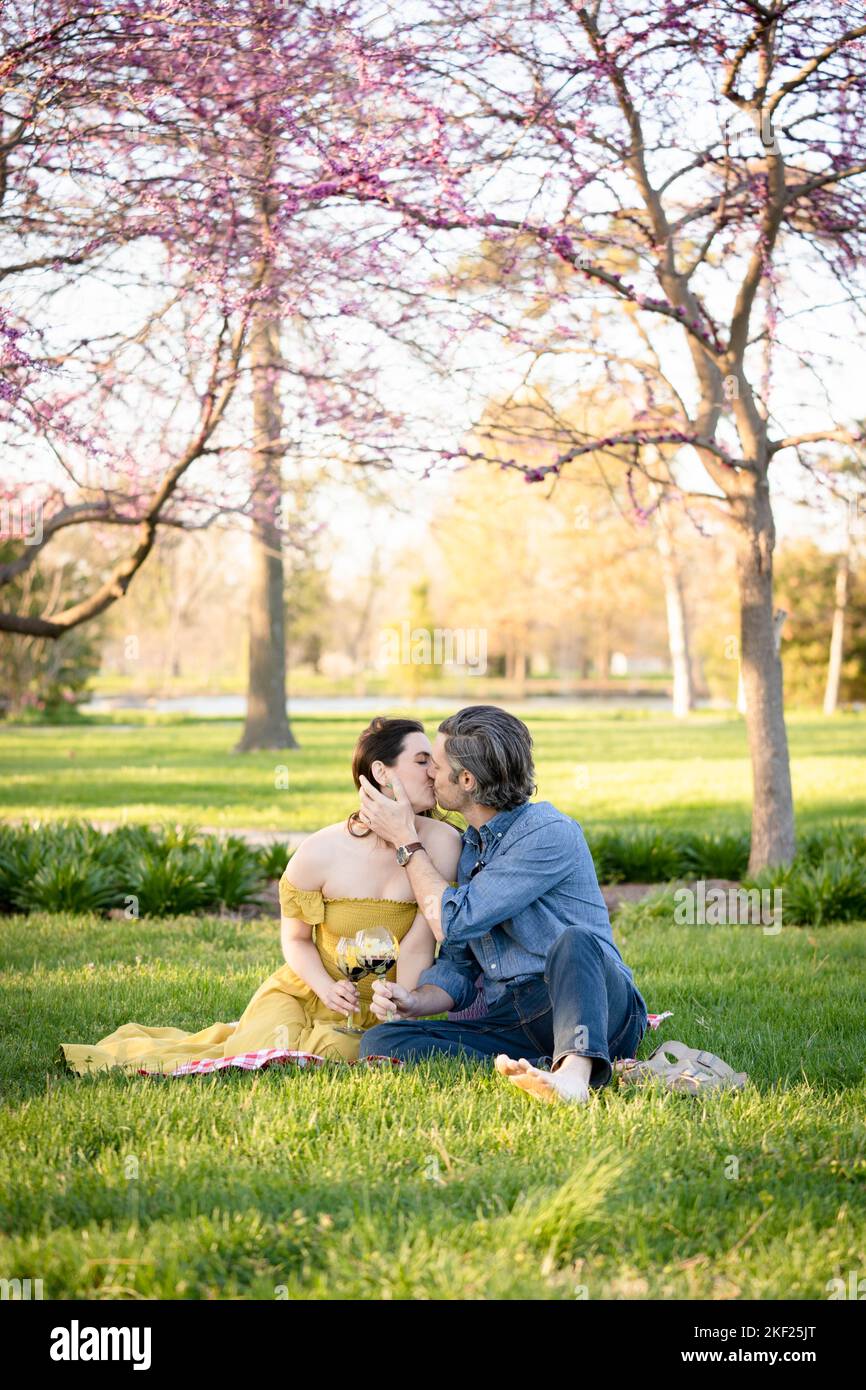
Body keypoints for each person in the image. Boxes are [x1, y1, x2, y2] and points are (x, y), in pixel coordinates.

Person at [59, 718, 461, 1075]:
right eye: (422, 760)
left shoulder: (443, 845)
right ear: (381, 772)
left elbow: (420, 943)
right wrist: (323, 987)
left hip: (383, 1004)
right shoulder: (321, 851)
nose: (435, 770)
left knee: (339, 1051)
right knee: (262, 1045)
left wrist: (398, 1008)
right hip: (309, 990)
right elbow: (297, 939)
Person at [357, 704, 648, 1105]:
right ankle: (539, 1065)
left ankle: (576, 1076)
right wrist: (416, 1001)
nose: (428, 773)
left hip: (590, 1002)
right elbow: (459, 965)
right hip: (512, 1019)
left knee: (575, 941)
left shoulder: (547, 833)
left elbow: (454, 922)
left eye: (436, 766)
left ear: (467, 780)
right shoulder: (471, 848)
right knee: (383, 1040)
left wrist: (407, 841)